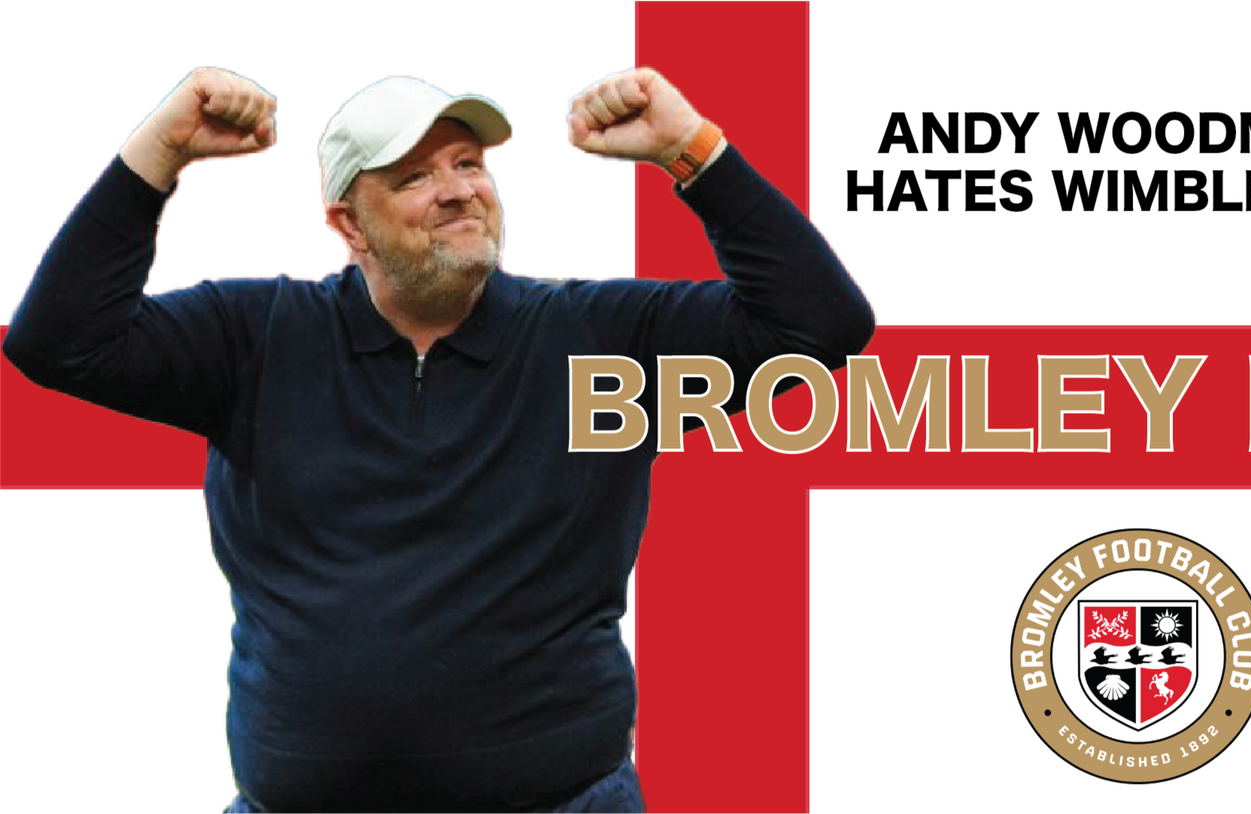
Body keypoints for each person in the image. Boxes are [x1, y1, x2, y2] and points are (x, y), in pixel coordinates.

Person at [3, 66, 873, 812]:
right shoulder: (254, 337)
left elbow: (818, 326)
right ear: (349, 224)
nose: (459, 189)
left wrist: (691, 150)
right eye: (414, 175)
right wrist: (159, 153)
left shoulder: (599, 343)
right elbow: (58, 342)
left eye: (468, 163)